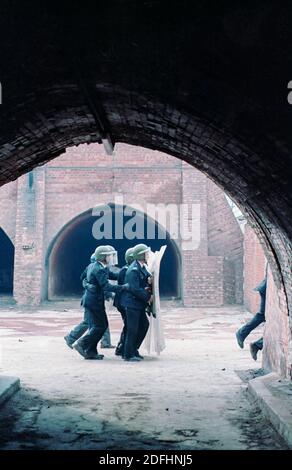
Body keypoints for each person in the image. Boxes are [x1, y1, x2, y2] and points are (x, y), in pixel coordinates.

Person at [73, 245, 128, 360]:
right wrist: (123, 287)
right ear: (103, 257)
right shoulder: (99, 269)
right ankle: (81, 343)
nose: (111, 257)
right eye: (109, 256)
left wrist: (124, 271)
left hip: (92, 301)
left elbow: (113, 275)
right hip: (94, 302)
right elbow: (106, 286)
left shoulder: (98, 266)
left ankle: (91, 351)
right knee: (100, 326)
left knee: (97, 326)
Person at [64, 253, 114, 349]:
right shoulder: (93, 268)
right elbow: (84, 278)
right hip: (91, 300)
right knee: (89, 322)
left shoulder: (102, 268)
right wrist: (87, 285)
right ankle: (71, 337)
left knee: (101, 321)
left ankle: (105, 342)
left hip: (96, 299)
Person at [123, 243, 153, 362]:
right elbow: (134, 289)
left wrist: (149, 280)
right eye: (146, 253)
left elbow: (143, 279)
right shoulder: (134, 270)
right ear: (141, 255)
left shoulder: (140, 266)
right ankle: (128, 354)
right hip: (132, 304)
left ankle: (134, 349)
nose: (148, 255)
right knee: (132, 329)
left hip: (137, 304)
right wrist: (148, 297)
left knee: (143, 326)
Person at [235, 277, 267, 360]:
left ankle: (256, 344)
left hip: (269, 289)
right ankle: (242, 334)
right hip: (269, 289)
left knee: (263, 316)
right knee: (262, 316)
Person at [114, 247, 135, 357]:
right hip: (123, 303)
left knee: (128, 326)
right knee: (128, 326)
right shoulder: (125, 270)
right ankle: (121, 348)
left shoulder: (127, 269)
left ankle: (121, 347)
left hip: (123, 302)